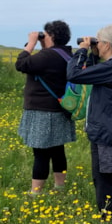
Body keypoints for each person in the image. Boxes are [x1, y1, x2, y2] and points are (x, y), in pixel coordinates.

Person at [67, 25, 112, 224]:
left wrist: (81, 50)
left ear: (106, 44)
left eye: (98, 40)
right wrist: (93, 54)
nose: (95, 43)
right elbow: (92, 71)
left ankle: (110, 221)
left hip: (108, 131)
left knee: (105, 179)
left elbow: (74, 75)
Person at [15, 20, 76, 195]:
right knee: (58, 150)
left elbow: (21, 64)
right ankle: (59, 187)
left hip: (42, 111)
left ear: (52, 36)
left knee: (41, 153)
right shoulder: (67, 55)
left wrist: (31, 44)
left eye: (45, 34)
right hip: (61, 109)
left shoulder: (48, 56)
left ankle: (36, 192)